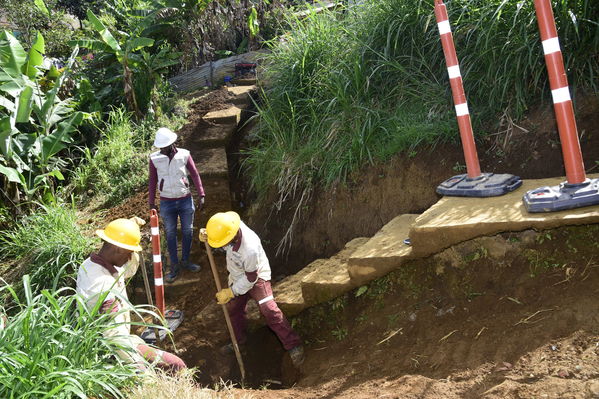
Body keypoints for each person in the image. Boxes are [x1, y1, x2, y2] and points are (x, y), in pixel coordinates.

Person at [76, 218, 186, 372]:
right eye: (129, 253)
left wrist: (129, 230)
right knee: (173, 367)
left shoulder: (96, 264)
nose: (129, 258)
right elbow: (113, 336)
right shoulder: (101, 285)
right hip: (109, 349)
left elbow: (127, 270)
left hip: (124, 339)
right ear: (118, 249)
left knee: (176, 364)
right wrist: (141, 371)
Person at [202, 211, 305, 367]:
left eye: (222, 242)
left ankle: (293, 345)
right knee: (234, 309)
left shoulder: (249, 248)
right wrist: (209, 235)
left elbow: (251, 278)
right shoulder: (230, 226)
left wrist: (231, 292)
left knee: (269, 310)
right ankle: (239, 342)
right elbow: (219, 228)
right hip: (237, 275)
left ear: (232, 236)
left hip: (257, 276)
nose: (221, 245)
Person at [149, 127, 205, 283]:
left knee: (187, 231)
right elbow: (152, 180)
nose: (163, 150)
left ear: (172, 144)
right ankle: (174, 265)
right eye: (160, 147)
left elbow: (194, 173)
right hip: (166, 202)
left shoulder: (184, 154)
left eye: (165, 147)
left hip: (185, 199)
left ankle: (186, 260)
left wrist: (201, 194)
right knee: (170, 233)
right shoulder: (155, 159)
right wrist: (151, 202)